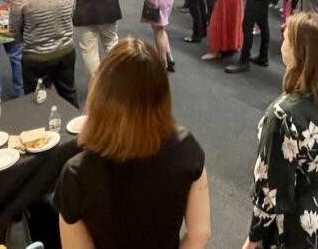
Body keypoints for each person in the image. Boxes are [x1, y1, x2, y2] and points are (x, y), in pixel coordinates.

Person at [54, 38, 210, 249]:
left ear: (100, 96)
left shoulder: (77, 174)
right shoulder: (187, 149)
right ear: (163, 95)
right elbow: (200, 234)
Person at [242, 12, 318, 249]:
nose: (282, 45)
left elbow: (271, 188)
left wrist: (254, 237)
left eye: (286, 40)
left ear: (299, 53)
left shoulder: (283, 115)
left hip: (300, 223)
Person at [9, 0, 78, 107]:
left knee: (37, 102)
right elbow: (71, 14)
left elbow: (14, 30)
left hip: (36, 56)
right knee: (69, 94)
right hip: (66, 50)